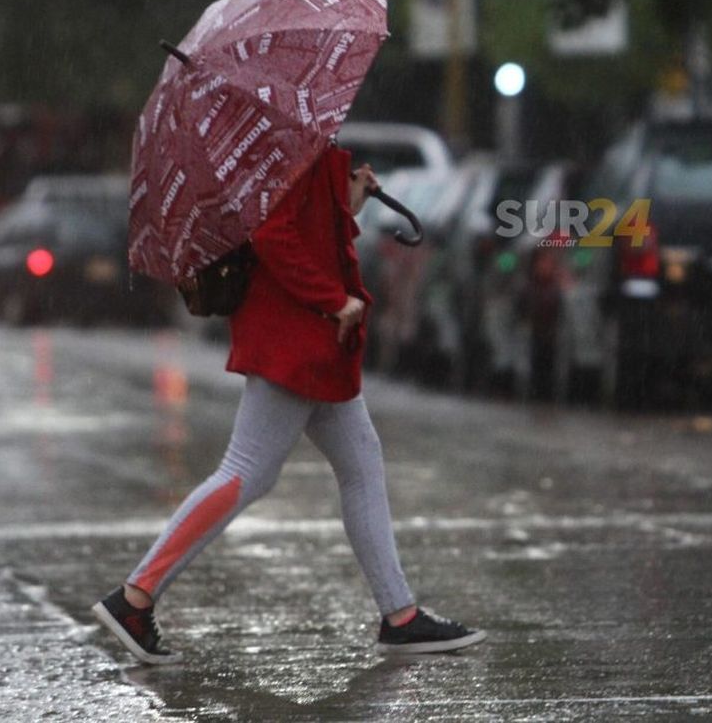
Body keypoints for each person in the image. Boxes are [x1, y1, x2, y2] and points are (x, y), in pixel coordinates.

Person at [92, 144, 484, 665]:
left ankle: (401, 617)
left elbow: (309, 232)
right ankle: (135, 597)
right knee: (247, 471)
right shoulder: (288, 147)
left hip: (312, 342)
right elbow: (274, 235)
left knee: (361, 463)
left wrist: (348, 201)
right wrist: (332, 299)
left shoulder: (299, 144)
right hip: (296, 339)